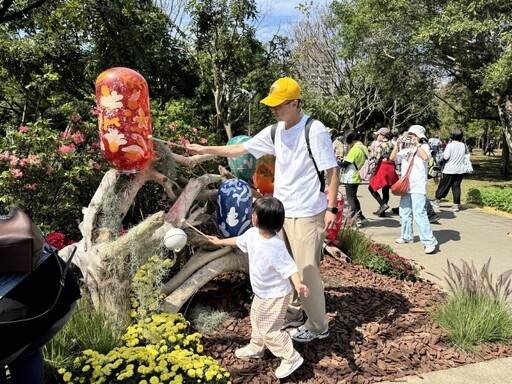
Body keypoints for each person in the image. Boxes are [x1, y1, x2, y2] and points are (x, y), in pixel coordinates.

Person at [187, 77, 339, 343]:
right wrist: (206, 149)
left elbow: (332, 170)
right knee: (285, 266)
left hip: (306, 212)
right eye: (273, 105)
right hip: (281, 212)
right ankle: (294, 313)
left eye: (280, 105)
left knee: (306, 271)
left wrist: (331, 208)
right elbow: (240, 149)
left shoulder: (314, 130)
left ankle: (318, 325)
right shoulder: (275, 131)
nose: (274, 110)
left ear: (295, 103)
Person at [207, 197, 309, 379]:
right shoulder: (253, 234)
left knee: (270, 329)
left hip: (276, 294)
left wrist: (298, 283)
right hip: (262, 292)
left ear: (258, 218)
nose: (251, 214)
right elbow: (238, 240)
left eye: (254, 212)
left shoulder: (276, 246)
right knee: (256, 317)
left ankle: (290, 356)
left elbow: (291, 268)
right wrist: (219, 242)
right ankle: (256, 346)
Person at [390, 125, 438, 254]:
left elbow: (425, 158)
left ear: (419, 137)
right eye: (410, 135)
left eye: (413, 135)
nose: (411, 137)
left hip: (418, 185)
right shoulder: (406, 150)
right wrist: (397, 144)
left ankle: (429, 241)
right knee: (404, 211)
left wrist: (417, 145)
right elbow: (392, 158)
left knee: (419, 213)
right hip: (407, 186)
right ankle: (407, 236)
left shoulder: (424, 147)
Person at [337, 131, 368, 227]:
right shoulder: (363, 147)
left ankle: (352, 221)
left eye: (350, 142)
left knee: (351, 201)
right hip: (357, 176)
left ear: (353, 141)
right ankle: (361, 217)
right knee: (354, 198)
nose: (349, 144)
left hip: (351, 177)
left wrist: (336, 160)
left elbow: (344, 164)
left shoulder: (355, 150)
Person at [431, 129, 466, 212]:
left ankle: (437, 201)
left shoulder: (450, 145)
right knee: (456, 187)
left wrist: (440, 160)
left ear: (452, 136)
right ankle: (456, 205)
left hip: (449, 169)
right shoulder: (463, 145)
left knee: (443, 185)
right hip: (460, 170)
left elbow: (446, 157)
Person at [368, 127, 398, 216]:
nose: (377, 136)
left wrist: (371, 170)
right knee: (385, 190)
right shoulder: (392, 145)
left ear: (383, 136)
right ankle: (382, 212)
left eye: (379, 134)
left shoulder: (380, 146)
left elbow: (376, 159)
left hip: (382, 167)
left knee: (371, 187)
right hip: (391, 167)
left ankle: (382, 205)